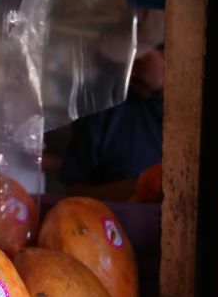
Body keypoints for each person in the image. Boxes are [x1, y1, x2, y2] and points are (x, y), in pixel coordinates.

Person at [59, 45, 164, 202]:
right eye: (123, 64)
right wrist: (134, 189)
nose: (131, 73)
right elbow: (74, 191)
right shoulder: (102, 109)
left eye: (139, 62)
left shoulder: (190, 114)